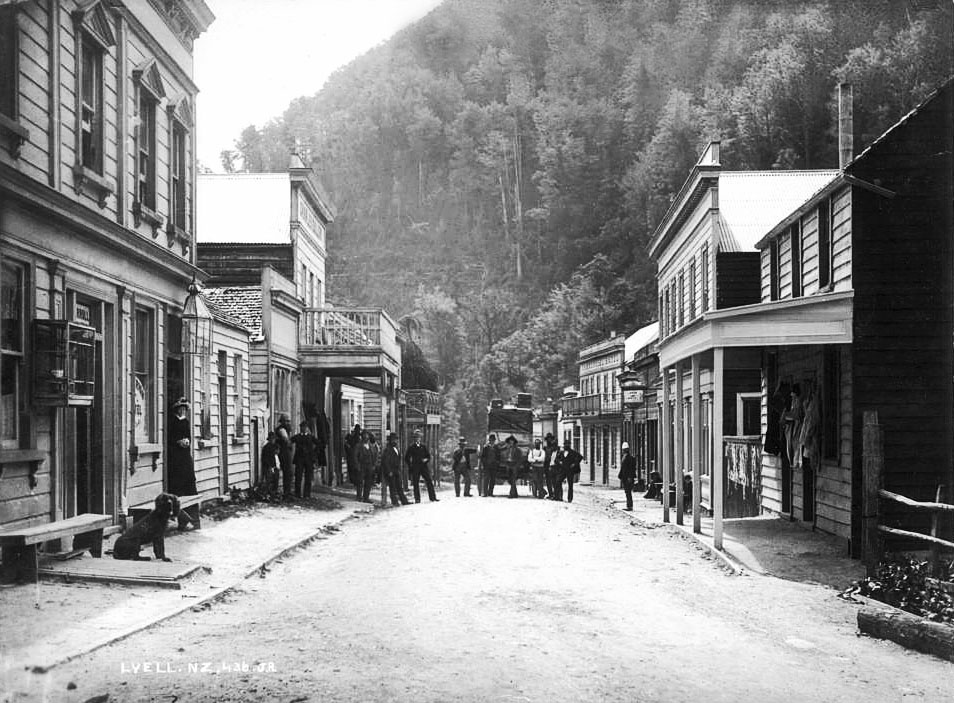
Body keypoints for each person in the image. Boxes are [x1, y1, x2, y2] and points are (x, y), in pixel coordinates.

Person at [167, 397, 197, 529]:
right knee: (177, 488)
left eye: (185, 409)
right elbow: (169, 438)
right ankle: (181, 519)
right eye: (181, 409)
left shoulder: (186, 422)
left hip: (185, 457)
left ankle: (193, 517)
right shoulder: (172, 422)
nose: (183, 411)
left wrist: (187, 441)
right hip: (175, 457)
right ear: (177, 409)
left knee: (189, 485)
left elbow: (188, 436)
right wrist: (177, 442)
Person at [405, 429, 438, 502]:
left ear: (420, 438)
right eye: (416, 437)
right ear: (414, 438)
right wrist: (411, 466)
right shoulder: (411, 447)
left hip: (423, 467)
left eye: (419, 437)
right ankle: (417, 499)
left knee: (429, 481)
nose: (417, 438)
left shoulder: (423, 446)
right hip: (415, 467)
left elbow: (428, 456)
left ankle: (433, 497)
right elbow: (406, 458)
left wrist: (426, 460)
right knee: (416, 483)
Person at [381, 432, 409, 506]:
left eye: (396, 440)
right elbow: (385, 461)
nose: (395, 441)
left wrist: (399, 469)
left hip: (396, 470)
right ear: (390, 440)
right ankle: (394, 502)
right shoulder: (388, 449)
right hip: (391, 471)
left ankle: (404, 501)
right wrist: (389, 471)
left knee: (399, 486)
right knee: (392, 487)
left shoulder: (396, 449)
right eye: (393, 440)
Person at [291, 421, 316, 499]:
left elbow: (319, 444)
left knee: (308, 477)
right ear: (300, 428)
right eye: (302, 427)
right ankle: (297, 494)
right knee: (298, 476)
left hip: (309, 459)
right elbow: (289, 442)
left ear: (307, 428)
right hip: (299, 459)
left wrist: (313, 454)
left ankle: (307, 494)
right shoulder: (297, 437)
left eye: (305, 427)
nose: (304, 428)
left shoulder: (311, 437)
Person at [276, 415, 294, 499]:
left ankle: (288, 491)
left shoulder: (286, 429)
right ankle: (286, 492)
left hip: (286, 452)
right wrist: (289, 443)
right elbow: (286, 440)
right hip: (283, 452)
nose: (287, 423)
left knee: (289, 472)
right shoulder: (281, 429)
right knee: (287, 472)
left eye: (288, 421)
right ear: (282, 422)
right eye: (286, 421)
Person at [354, 430, 375, 503]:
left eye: (367, 435)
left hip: (369, 466)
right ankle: (359, 497)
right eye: (364, 435)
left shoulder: (370, 446)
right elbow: (355, 456)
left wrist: (373, 465)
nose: (366, 437)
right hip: (361, 465)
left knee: (368, 482)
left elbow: (374, 456)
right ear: (362, 437)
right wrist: (357, 465)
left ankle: (366, 497)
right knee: (360, 482)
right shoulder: (358, 445)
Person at [260, 431, 281, 501]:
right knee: (269, 481)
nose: (273, 440)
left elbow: (277, 455)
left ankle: (274, 495)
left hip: (276, 466)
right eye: (272, 439)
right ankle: (269, 495)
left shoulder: (276, 446)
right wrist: (269, 466)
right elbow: (265, 459)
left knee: (276, 481)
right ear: (269, 439)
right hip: (269, 467)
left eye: (274, 439)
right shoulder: (266, 447)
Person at [500, 435, 523, 499]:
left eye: (512, 441)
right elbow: (503, 457)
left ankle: (511, 494)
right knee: (510, 480)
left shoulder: (518, 450)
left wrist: (517, 466)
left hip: (515, 465)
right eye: (510, 442)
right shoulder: (505, 450)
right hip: (508, 465)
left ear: (514, 442)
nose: (511, 443)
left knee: (513, 479)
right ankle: (515, 493)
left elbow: (520, 459)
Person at [618, 441, 636, 511]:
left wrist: (630, 477)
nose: (623, 451)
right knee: (627, 492)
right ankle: (629, 505)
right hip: (625, 478)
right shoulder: (625, 457)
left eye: (624, 450)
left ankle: (629, 506)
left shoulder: (629, 458)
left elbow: (630, 469)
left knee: (628, 492)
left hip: (628, 478)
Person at [542, 433, 557, 499]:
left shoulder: (554, 448)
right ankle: (550, 494)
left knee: (554, 480)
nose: (549, 440)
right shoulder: (544, 448)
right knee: (548, 480)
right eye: (548, 439)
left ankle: (555, 494)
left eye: (550, 439)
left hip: (553, 465)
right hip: (546, 464)